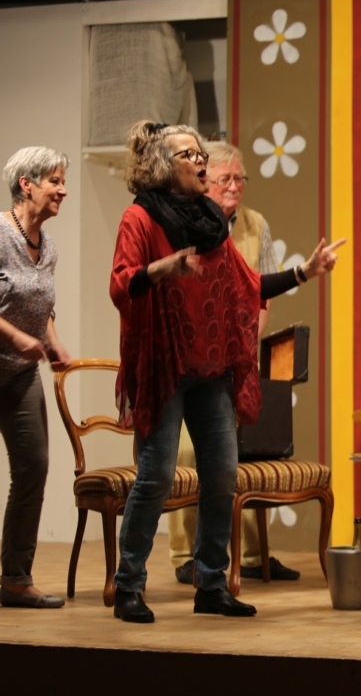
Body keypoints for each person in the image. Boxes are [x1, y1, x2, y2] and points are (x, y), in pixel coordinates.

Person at [109, 121, 342, 624]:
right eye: (189, 155)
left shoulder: (211, 220)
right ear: (163, 165)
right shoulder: (140, 218)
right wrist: (162, 268)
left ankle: (211, 583)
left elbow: (246, 284)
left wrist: (304, 272)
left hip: (211, 369)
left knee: (221, 476)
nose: (200, 161)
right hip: (165, 367)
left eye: (200, 153)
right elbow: (120, 285)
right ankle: (128, 585)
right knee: (156, 476)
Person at [168, 142, 300, 586]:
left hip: (237, 354)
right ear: (206, 182)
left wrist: (247, 337)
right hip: (193, 356)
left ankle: (251, 556)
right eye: (225, 179)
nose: (234, 187)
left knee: (239, 451)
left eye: (239, 179)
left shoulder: (255, 224)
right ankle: (186, 555)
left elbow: (262, 291)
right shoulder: (187, 221)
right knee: (189, 453)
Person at [0, 146, 70, 610]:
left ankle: (14, 578)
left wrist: (52, 341)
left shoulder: (49, 247)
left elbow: (42, 306)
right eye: (54, 181)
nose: (62, 190)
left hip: (20, 374)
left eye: (64, 182)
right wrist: (15, 336)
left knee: (34, 465)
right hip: (10, 355)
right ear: (26, 184)